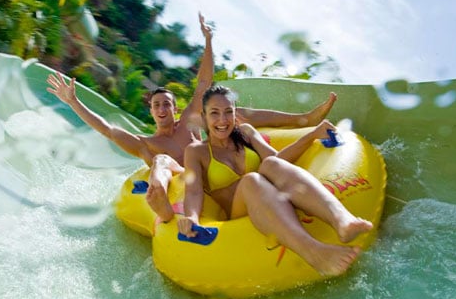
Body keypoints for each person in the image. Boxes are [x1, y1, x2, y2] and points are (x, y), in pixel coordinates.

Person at [47, 13, 338, 223]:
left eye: (167, 104)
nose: (162, 109)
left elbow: (203, 84)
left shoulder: (189, 122)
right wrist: (74, 101)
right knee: (162, 161)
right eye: (157, 105)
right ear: (151, 111)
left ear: (175, 109)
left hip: (217, 171)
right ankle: (158, 196)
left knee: (234, 116)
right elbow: (108, 130)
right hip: (188, 183)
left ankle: (303, 119)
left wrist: (208, 40)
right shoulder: (145, 143)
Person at [177, 85, 373, 276]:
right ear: (203, 117)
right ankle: (314, 252)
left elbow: (279, 160)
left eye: (229, 112)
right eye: (214, 113)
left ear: (235, 114)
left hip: (269, 198)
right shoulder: (196, 151)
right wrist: (192, 218)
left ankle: (342, 221)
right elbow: (193, 190)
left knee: (270, 163)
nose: (222, 119)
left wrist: (311, 135)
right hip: (239, 212)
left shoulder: (246, 133)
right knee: (251, 179)